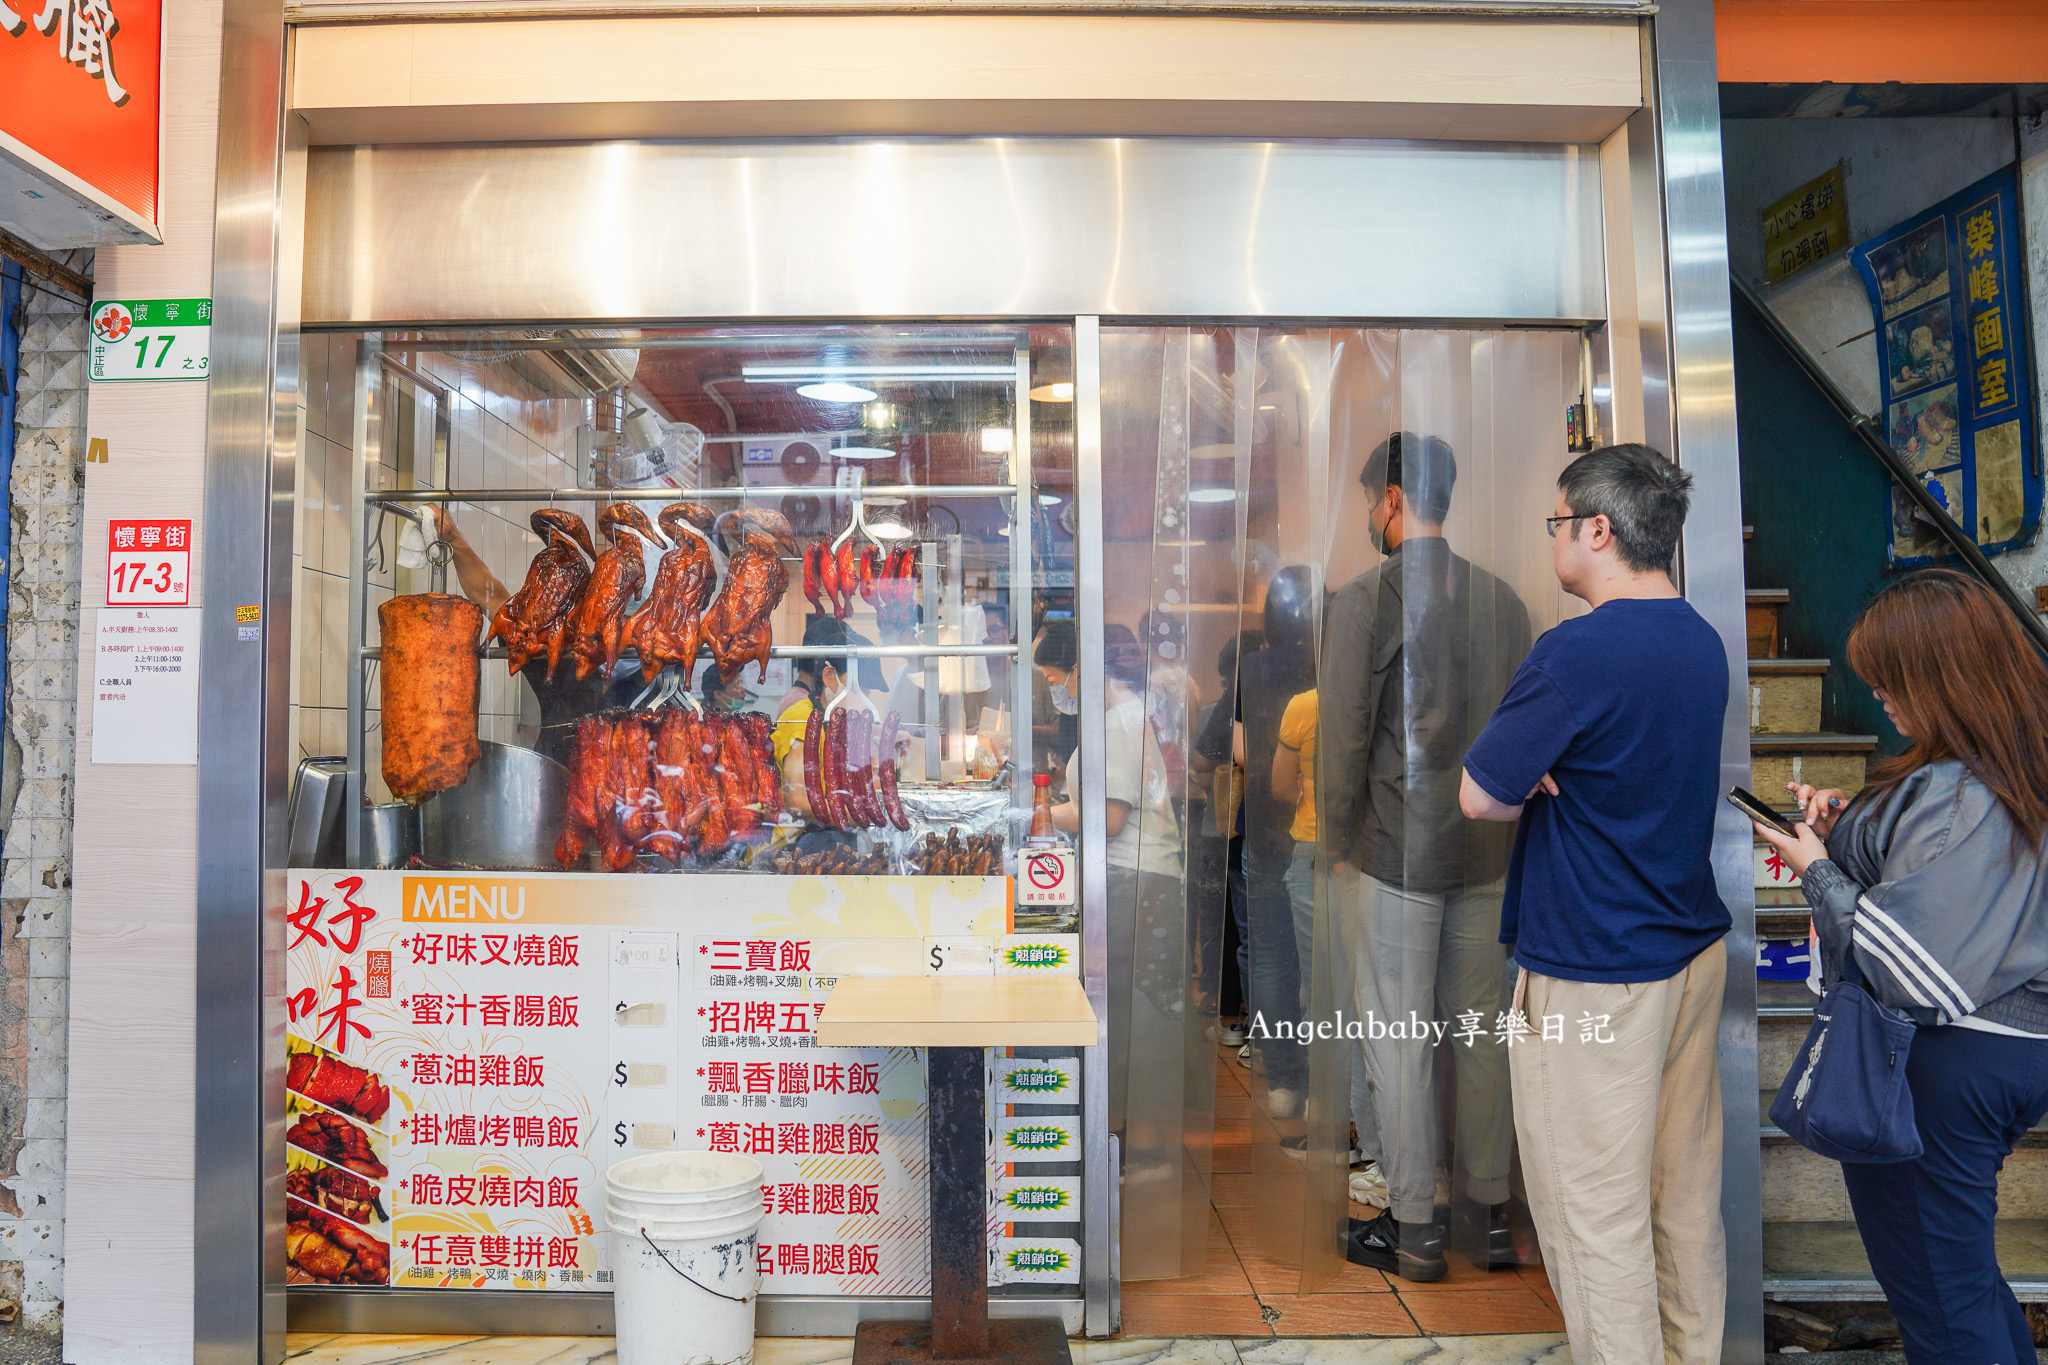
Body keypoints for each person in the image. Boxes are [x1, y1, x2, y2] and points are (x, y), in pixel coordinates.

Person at [1460, 443, 1731, 1365]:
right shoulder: (1700, 638)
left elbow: (1479, 792)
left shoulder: (1574, 650)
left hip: (1594, 968)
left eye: (1558, 523)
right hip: (1691, 951)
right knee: (1682, 1195)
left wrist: (1531, 777)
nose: (1554, 540)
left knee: (1591, 1209)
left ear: (1600, 530)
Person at [1755, 569, 2048, 1365]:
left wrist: (1818, 866)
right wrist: (1853, 831)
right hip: (2007, 1051)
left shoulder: (1961, 787)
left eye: (1891, 677)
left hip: (1944, 1062)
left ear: (1943, 676)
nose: (1879, 693)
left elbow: (1909, 961)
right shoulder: (2012, 766)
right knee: (1963, 1283)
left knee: (1941, 1300)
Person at [1319, 432, 1529, 1279]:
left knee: (1400, 1038)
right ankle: (1487, 1215)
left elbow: (1343, 735)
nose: (1371, 515)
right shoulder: (1504, 601)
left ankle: (1413, 1226)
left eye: (1373, 500)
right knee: (1482, 1035)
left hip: (1396, 849)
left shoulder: (1369, 598)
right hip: (1491, 853)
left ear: (1396, 499)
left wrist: (1335, 841)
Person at [1200, 568, 1317, 1121]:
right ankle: (1327, 1082)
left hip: (1268, 828)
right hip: (1323, 827)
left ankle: (1286, 1082)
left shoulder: (1255, 667)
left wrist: (1276, 772)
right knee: (1324, 963)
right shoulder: (1332, 663)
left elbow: (1238, 749)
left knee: (1270, 960)